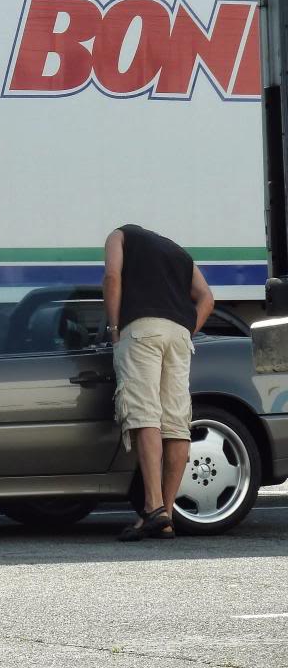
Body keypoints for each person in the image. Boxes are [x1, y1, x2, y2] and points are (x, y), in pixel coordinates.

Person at [102, 224, 214, 541]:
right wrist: (186, 330)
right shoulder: (179, 254)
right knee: (176, 423)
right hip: (179, 334)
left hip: (141, 330)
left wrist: (114, 328)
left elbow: (112, 278)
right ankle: (164, 516)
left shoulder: (119, 235)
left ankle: (152, 508)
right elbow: (206, 298)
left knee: (144, 414)